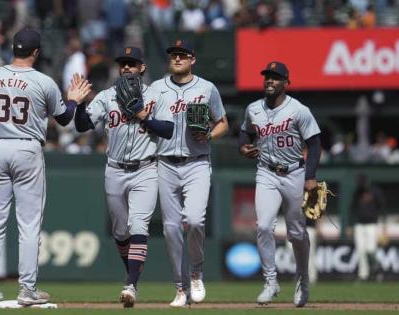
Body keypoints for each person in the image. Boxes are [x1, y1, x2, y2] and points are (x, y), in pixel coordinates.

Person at [0, 28, 91, 306]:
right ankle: (27, 289)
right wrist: (73, 99)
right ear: (36, 52)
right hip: (27, 148)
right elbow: (64, 120)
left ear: (14, 49)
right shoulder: (43, 82)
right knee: (28, 223)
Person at [74, 46, 174, 308]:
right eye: (123, 63)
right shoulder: (108, 96)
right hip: (115, 169)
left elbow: (168, 130)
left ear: (142, 67)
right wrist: (79, 103)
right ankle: (133, 275)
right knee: (120, 231)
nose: (127, 67)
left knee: (139, 225)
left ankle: (130, 284)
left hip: (145, 169)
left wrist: (144, 116)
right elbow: (82, 125)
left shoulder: (157, 94)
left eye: (132, 63)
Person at [151, 39, 229, 307]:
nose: (177, 58)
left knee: (195, 221)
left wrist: (209, 133)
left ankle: (196, 273)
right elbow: (144, 116)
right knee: (171, 229)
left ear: (192, 59)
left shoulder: (207, 88)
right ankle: (180, 287)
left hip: (197, 161)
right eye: (173, 54)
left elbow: (223, 123)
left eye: (182, 55)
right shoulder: (157, 88)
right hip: (165, 162)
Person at [238, 61, 321, 307]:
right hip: (266, 172)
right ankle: (270, 282)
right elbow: (245, 133)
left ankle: (302, 279)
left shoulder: (298, 110)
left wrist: (310, 176)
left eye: (275, 77)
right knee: (263, 226)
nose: (270, 81)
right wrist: (242, 147)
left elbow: (315, 143)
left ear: (286, 83)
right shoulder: (253, 108)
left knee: (296, 233)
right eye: (267, 77)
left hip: (295, 172)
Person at [349, 173, 385, 281]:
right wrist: (350, 225)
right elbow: (352, 208)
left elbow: (381, 207)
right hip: (359, 225)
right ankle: (363, 275)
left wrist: (384, 225)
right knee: (360, 250)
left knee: (370, 249)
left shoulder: (375, 192)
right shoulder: (357, 193)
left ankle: (377, 267)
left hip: (372, 224)